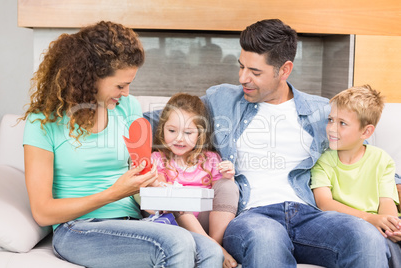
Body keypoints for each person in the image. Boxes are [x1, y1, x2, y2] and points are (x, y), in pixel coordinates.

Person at [145, 18, 391, 267]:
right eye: (241, 67)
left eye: (255, 72)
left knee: (365, 237)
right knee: (266, 240)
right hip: (252, 216)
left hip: (309, 215)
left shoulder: (321, 112)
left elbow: (366, 155)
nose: (242, 78)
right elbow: (160, 119)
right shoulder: (222, 100)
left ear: (284, 70)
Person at [22, 21, 223, 268]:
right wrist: (114, 194)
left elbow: (142, 173)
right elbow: (43, 212)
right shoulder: (42, 123)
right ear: (89, 78)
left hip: (132, 222)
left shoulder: (128, 109)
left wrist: (153, 186)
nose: (127, 93)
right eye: (120, 85)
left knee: (211, 253)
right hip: (78, 229)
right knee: (176, 243)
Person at [310, 85, 401, 268]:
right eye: (330, 120)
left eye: (342, 123)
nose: (331, 128)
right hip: (347, 227)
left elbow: (387, 203)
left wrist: (392, 226)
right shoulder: (323, 160)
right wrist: (369, 219)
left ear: (366, 132)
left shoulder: (381, 160)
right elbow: (325, 203)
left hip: (379, 227)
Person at [151, 92, 239, 268]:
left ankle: (212, 243)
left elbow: (220, 195)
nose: (179, 138)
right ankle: (213, 248)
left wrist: (228, 176)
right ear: (162, 129)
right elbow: (158, 190)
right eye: (172, 131)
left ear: (200, 134)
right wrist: (157, 181)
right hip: (175, 223)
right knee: (171, 195)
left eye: (188, 132)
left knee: (228, 186)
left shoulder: (211, 158)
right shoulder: (157, 158)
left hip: (207, 222)